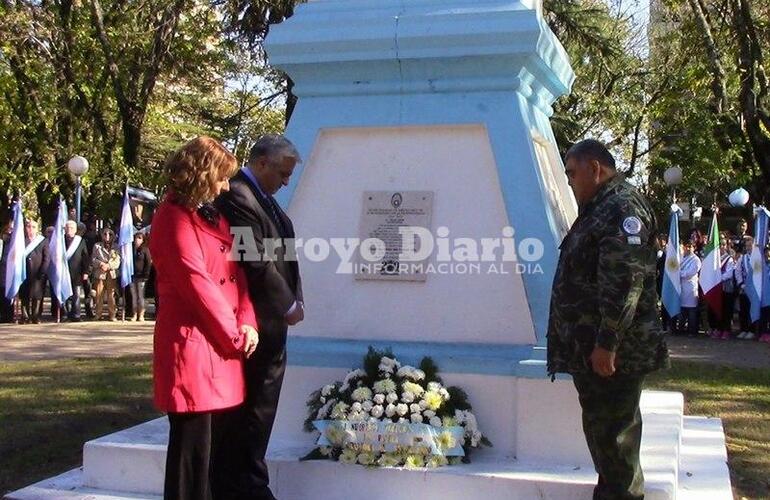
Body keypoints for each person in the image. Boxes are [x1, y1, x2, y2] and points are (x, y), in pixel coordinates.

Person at [547, 139, 669, 500]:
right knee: (606, 442)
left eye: (572, 173)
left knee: (616, 440)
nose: (569, 181)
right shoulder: (600, 207)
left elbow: (624, 282)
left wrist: (607, 344)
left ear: (594, 169)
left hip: (614, 353)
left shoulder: (621, 208)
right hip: (594, 349)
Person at [151, 136, 258, 500]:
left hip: (223, 345)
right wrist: (234, 333)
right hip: (195, 345)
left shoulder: (212, 217)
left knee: (213, 456)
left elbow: (236, 272)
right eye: (222, 176)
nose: (226, 185)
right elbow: (196, 283)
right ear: (202, 173)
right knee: (191, 456)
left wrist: (247, 321)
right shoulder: (171, 218)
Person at [215, 134, 304, 500]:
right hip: (256, 322)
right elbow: (254, 260)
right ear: (262, 162)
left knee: (260, 413)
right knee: (249, 415)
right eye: (282, 174)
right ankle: (246, 486)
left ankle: (248, 481)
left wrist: (296, 297)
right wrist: (286, 305)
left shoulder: (265, 201)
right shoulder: (239, 196)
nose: (285, 182)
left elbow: (283, 254)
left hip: (273, 323)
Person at [19, 219, 50, 324]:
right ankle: (25, 316)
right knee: (24, 295)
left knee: (37, 296)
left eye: (33, 227)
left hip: (38, 273)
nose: (30, 229)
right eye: (28, 227)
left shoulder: (43, 241)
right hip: (24, 272)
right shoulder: (21, 241)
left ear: (37, 229)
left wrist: (42, 271)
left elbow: (47, 258)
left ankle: (35, 316)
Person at [91, 228, 120, 321]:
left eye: (110, 234)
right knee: (99, 294)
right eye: (105, 234)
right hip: (100, 273)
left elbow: (118, 260)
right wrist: (101, 264)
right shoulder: (97, 246)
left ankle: (112, 315)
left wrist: (108, 265)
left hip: (111, 273)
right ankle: (98, 314)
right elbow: (93, 259)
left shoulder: (116, 246)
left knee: (111, 295)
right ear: (102, 235)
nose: (107, 236)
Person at [64, 220, 89, 321]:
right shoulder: (60, 241)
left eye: (72, 228)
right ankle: (65, 314)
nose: (69, 230)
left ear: (75, 230)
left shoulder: (80, 241)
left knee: (76, 295)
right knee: (65, 295)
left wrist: (86, 272)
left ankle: (76, 315)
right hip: (64, 272)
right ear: (65, 229)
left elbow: (85, 258)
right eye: (68, 228)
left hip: (77, 272)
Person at [678, 240, 701, 336]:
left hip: (691, 288)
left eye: (690, 247)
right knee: (682, 310)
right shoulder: (682, 258)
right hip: (682, 287)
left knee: (691, 310)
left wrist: (679, 274)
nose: (688, 248)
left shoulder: (696, 260)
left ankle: (692, 330)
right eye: (686, 246)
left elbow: (690, 273)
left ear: (694, 248)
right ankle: (681, 329)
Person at [736, 236, 755, 339]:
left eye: (750, 245)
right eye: (747, 246)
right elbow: (738, 272)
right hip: (744, 288)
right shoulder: (742, 258)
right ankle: (743, 329)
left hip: (754, 289)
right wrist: (741, 284)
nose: (748, 247)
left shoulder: (757, 258)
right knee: (743, 310)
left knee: (752, 310)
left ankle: (752, 330)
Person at [130, 232, 152, 321]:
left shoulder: (145, 250)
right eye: (136, 238)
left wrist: (146, 275)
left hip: (141, 276)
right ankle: (134, 314)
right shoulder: (130, 250)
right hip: (132, 276)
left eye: (139, 238)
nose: (137, 240)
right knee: (134, 296)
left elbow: (148, 263)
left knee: (140, 296)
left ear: (143, 240)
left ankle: (141, 314)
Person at [0, 220, 14, 323]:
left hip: (9, 272)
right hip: (1, 271)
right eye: (7, 231)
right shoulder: (1, 242)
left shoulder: (13, 243)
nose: (8, 233)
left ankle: (8, 316)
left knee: (8, 294)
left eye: (11, 230)